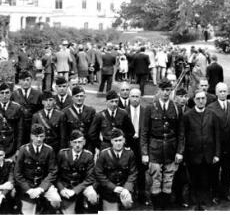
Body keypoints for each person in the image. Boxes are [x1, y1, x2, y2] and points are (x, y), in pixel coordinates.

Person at [141, 81, 184, 210]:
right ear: (158, 90)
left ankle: (166, 208)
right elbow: (144, 132)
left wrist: (180, 151)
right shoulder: (150, 108)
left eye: (169, 90)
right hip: (155, 149)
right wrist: (144, 153)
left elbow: (181, 133)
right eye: (164, 90)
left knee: (168, 180)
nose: (166, 93)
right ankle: (157, 209)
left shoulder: (176, 108)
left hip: (171, 149)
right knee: (156, 179)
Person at [180, 91, 219, 211]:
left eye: (203, 98)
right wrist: (184, 154)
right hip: (193, 155)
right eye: (198, 98)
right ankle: (194, 204)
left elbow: (217, 135)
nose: (201, 100)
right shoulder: (187, 115)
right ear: (194, 100)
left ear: (206, 100)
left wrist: (217, 154)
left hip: (208, 154)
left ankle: (203, 203)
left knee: (205, 180)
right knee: (193, 180)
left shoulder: (212, 114)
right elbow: (183, 136)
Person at [15, 125, 61, 214]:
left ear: (44, 136)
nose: (39, 139)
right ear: (31, 136)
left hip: (43, 184)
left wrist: (41, 188)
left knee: (56, 201)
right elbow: (17, 173)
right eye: (36, 136)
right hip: (28, 185)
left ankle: (45, 209)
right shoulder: (23, 150)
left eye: (41, 136)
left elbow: (53, 172)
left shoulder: (49, 150)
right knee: (28, 212)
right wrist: (28, 189)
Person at [206, 83, 230, 203]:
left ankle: (226, 193)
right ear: (216, 93)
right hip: (216, 146)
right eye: (221, 91)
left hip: (229, 146)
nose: (223, 93)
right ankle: (215, 194)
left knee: (227, 171)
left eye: (225, 91)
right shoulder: (210, 107)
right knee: (214, 172)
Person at [94, 129, 138, 211]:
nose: (118, 143)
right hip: (109, 192)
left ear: (124, 140)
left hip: (124, 189)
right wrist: (113, 187)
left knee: (127, 204)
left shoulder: (130, 154)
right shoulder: (104, 154)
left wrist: (127, 188)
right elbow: (98, 173)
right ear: (111, 141)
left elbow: (133, 173)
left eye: (120, 140)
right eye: (116, 140)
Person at [56, 130, 98, 214]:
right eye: (75, 142)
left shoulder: (88, 156)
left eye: (80, 142)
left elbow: (90, 178)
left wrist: (75, 190)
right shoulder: (62, 154)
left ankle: (87, 206)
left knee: (92, 196)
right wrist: (61, 189)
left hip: (82, 186)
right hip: (66, 187)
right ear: (70, 143)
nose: (77, 145)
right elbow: (56, 175)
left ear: (84, 142)